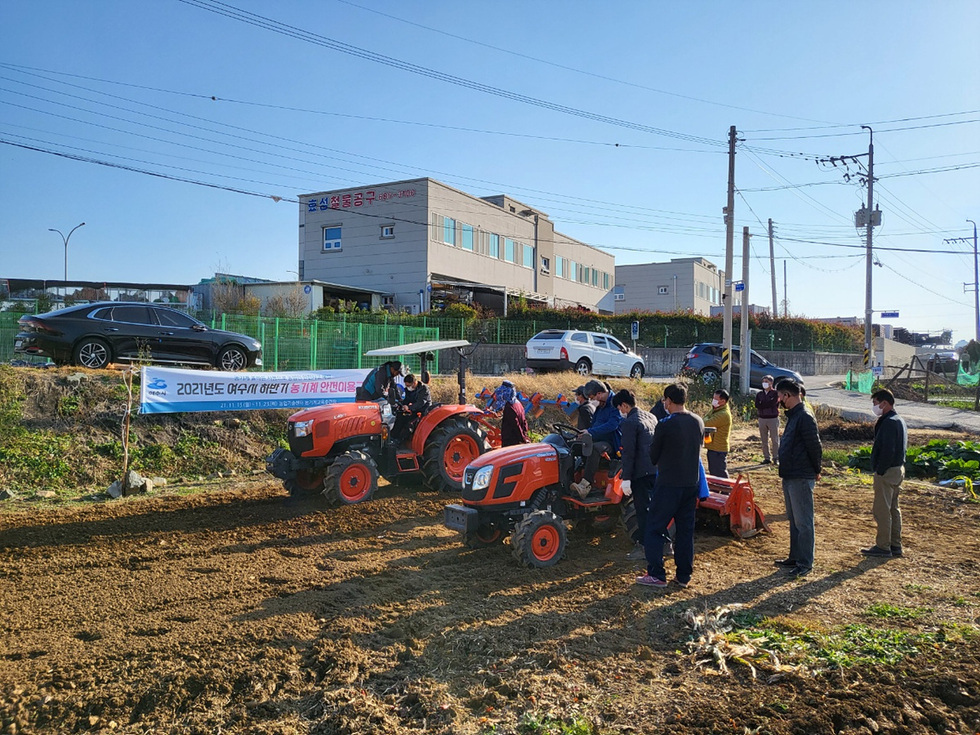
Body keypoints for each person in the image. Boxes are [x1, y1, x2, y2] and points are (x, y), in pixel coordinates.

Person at [636, 383, 704, 589]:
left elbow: (654, 456)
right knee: (685, 530)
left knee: (655, 527)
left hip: (668, 484)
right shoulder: (698, 421)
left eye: (665, 400)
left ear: (668, 400)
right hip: (691, 483)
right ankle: (683, 576)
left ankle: (656, 574)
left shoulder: (665, 424)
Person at [775, 380, 822, 578]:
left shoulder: (804, 416)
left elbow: (815, 446)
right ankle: (795, 556)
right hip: (791, 474)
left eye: (780, 396)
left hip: (801, 475)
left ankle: (805, 562)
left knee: (803, 522)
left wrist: (816, 469)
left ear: (787, 395)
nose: (778, 400)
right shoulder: (795, 416)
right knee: (794, 520)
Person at [611, 389, 658, 561]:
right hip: (654, 469)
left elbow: (628, 453)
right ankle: (665, 542)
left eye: (619, 408)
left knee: (642, 510)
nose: (620, 412)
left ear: (624, 405)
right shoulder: (651, 417)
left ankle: (645, 546)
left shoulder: (630, 423)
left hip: (640, 472)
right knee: (656, 508)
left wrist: (627, 478)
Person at [861, 389, 907, 558]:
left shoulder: (888, 422)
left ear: (884, 403)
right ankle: (895, 544)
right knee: (894, 509)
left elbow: (887, 449)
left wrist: (880, 470)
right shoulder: (899, 420)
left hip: (887, 472)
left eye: (875, 403)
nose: (874, 407)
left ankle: (883, 546)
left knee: (882, 510)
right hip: (898, 469)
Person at [571, 380, 622, 498]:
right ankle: (569, 480)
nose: (594, 401)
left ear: (599, 393)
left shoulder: (615, 404)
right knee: (574, 446)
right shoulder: (601, 406)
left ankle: (585, 485)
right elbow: (594, 424)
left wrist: (590, 432)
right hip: (597, 438)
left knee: (594, 448)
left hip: (611, 442)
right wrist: (584, 434)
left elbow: (612, 425)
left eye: (594, 397)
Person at [391, 373, 431, 445]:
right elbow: (406, 400)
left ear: (414, 383)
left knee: (410, 424)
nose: (407, 387)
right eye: (406, 385)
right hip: (413, 409)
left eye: (409, 385)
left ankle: (401, 441)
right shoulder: (408, 390)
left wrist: (409, 407)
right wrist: (401, 405)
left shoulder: (424, 389)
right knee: (400, 417)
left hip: (423, 411)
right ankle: (393, 437)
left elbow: (420, 403)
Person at [702, 389, 732, 478]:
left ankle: (727, 490)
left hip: (718, 448)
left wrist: (707, 418)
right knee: (714, 472)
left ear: (723, 401)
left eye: (715, 399)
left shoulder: (723, 414)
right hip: (713, 447)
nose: (713, 401)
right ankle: (718, 490)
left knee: (719, 472)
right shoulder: (715, 410)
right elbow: (705, 418)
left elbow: (705, 422)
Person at [491, 380, 529, 447]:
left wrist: (522, 439)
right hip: (517, 440)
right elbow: (524, 421)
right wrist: (525, 436)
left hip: (511, 441)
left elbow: (516, 425)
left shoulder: (509, 407)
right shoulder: (518, 404)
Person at [755, 375, 780, 465]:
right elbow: (757, 404)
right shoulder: (759, 394)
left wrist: (763, 404)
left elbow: (773, 403)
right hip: (762, 418)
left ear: (771, 383)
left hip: (773, 418)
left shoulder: (775, 393)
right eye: (763, 381)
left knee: (775, 439)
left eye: (766, 381)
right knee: (764, 440)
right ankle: (767, 458)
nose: (764, 383)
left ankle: (776, 458)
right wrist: (765, 404)